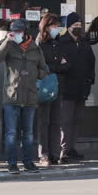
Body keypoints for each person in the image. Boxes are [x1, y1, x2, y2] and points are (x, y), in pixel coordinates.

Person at [0, 18, 49, 174]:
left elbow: (44, 70)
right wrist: (7, 41)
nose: (16, 34)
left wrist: (33, 74)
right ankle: (12, 163)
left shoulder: (35, 49)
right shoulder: (10, 46)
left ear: (25, 32)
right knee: (11, 133)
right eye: (14, 31)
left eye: (19, 32)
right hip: (12, 96)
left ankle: (28, 162)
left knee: (29, 134)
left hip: (30, 96)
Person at [57, 12, 96, 164]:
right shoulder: (61, 41)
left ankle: (71, 148)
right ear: (68, 27)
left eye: (80, 25)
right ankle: (63, 150)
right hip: (66, 88)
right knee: (65, 121)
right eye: (75, 26)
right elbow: (60, 63)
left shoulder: (84, 42)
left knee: (76, 120)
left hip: (82, 87)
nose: (78, 28)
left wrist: (90, 79)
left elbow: (91, 61)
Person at [35, 13, 70, 166]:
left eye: (57, 26)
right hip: (44, 86)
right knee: (44, 122)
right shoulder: (39, 43)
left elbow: (68, 64)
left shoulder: (58, 42)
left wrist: (56, 67)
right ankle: (44, 155)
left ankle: (55, 154)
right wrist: (58, 67)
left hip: (58, 86)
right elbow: (41, 67)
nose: (57, 29)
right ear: (46, 27)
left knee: (56, 121)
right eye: (54, 26)